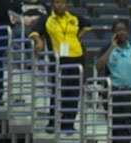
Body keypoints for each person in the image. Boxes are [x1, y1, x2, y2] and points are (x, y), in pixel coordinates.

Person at [29, 0, 91, 133]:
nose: (60, 5)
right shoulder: (47, 19)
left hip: (77, 57)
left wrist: (77, 37)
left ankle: (68, 124)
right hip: (59, 59)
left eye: (63, 3)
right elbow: (34, 32)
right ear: (53, 5)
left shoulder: (74, 17)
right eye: (57, 3)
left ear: (66, 5)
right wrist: (39, 41)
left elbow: (88, 26)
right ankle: (52, 122)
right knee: (58, 91)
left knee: (73, 92)